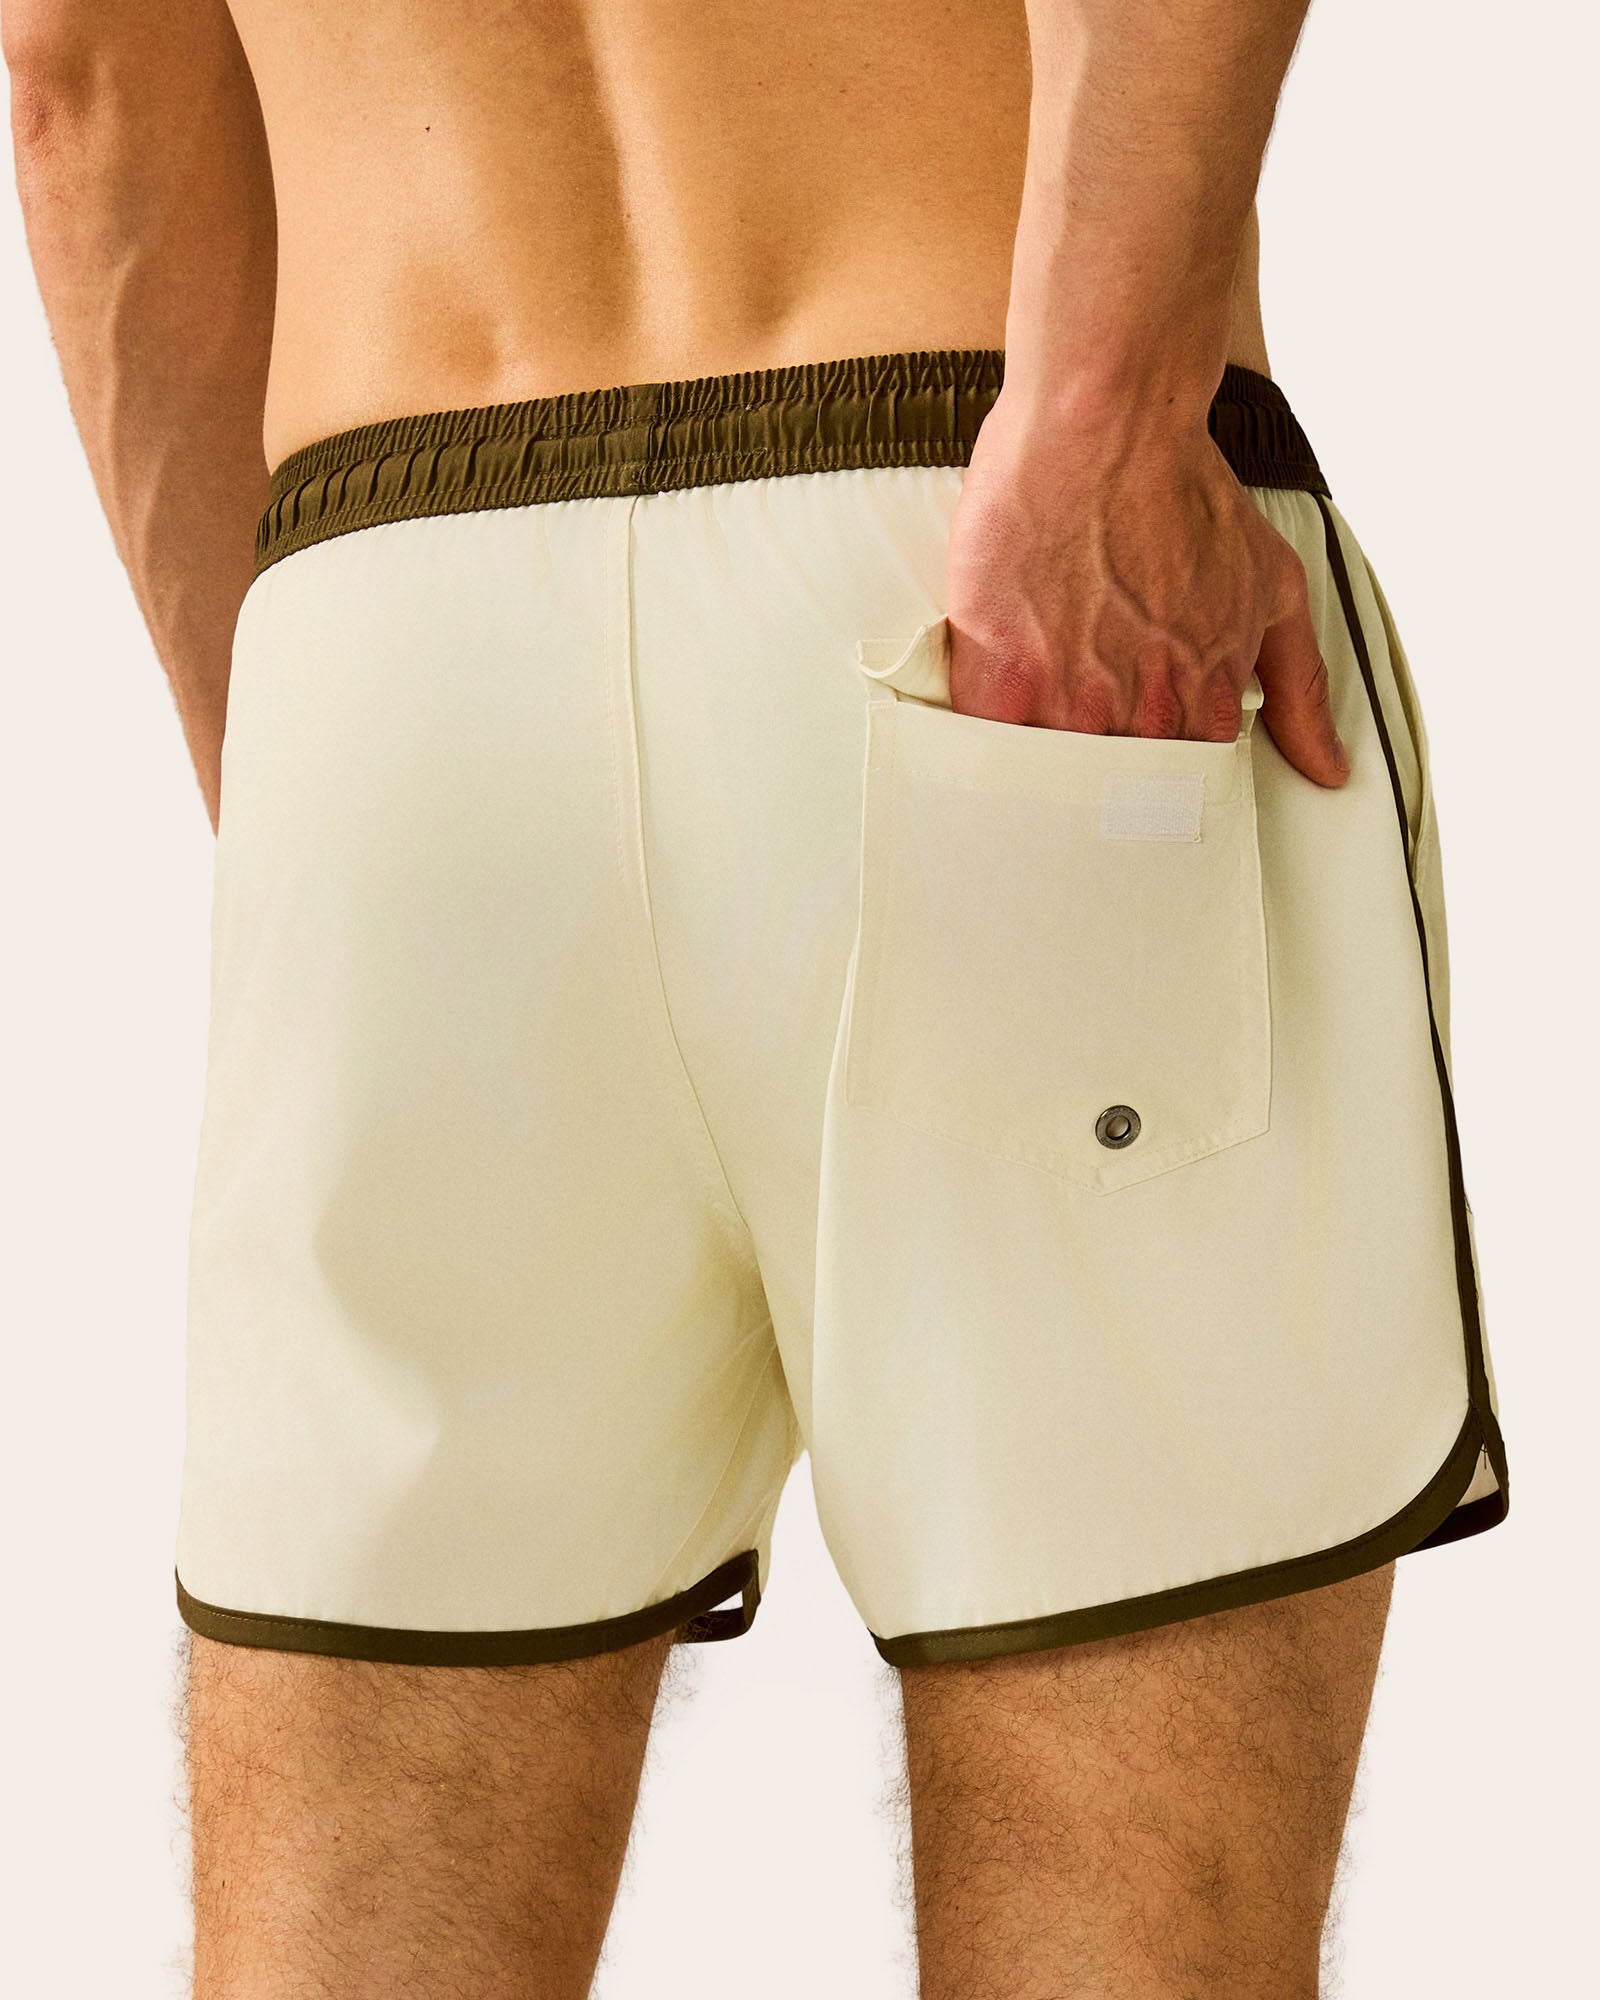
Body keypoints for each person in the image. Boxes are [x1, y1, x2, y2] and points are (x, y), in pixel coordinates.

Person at [5, 0, 1509, 1991]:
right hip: (974, 529)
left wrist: (300, 738)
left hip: (391, 618)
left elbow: (78, 69)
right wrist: (1106, 409)